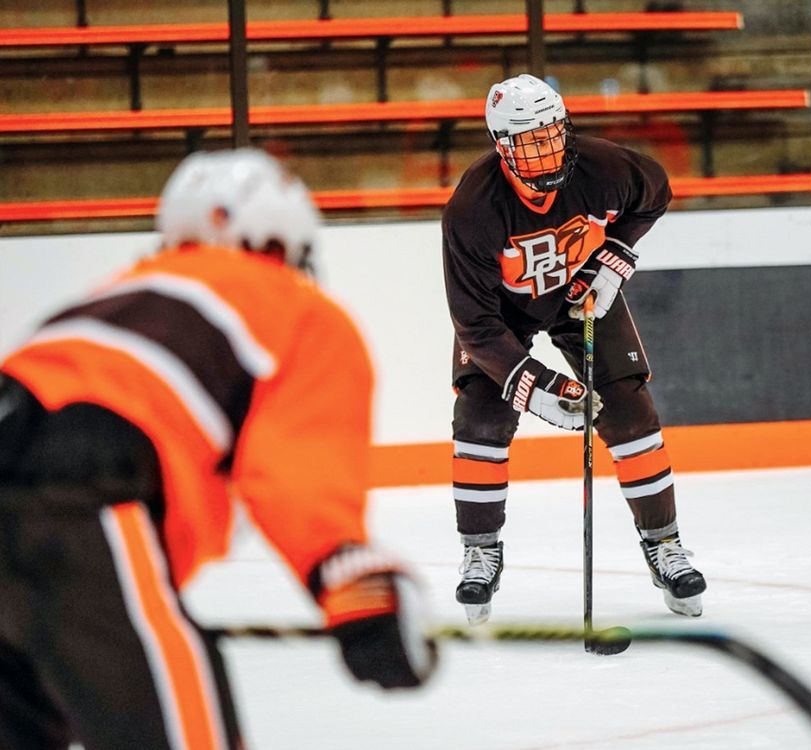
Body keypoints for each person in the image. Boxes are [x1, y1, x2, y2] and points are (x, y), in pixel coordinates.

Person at [0, 149, 436, 750]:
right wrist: (358, 588)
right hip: (80, 496)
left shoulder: (111, 296)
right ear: (281, 245)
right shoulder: (298, 307)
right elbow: (297, 476)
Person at [442, 73, 707, 626]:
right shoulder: (472, 209)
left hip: (581, 293)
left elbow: (654, 192)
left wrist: (614, 257)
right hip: (503, 315)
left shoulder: (602, 166)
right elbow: (475, 324)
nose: (548, 152)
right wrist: (536, 389)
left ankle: (664, 545)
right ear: (501, 147)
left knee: (633, 414)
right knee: (480, 421)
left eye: (553, 134)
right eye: (531, 142)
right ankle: (480, 550)